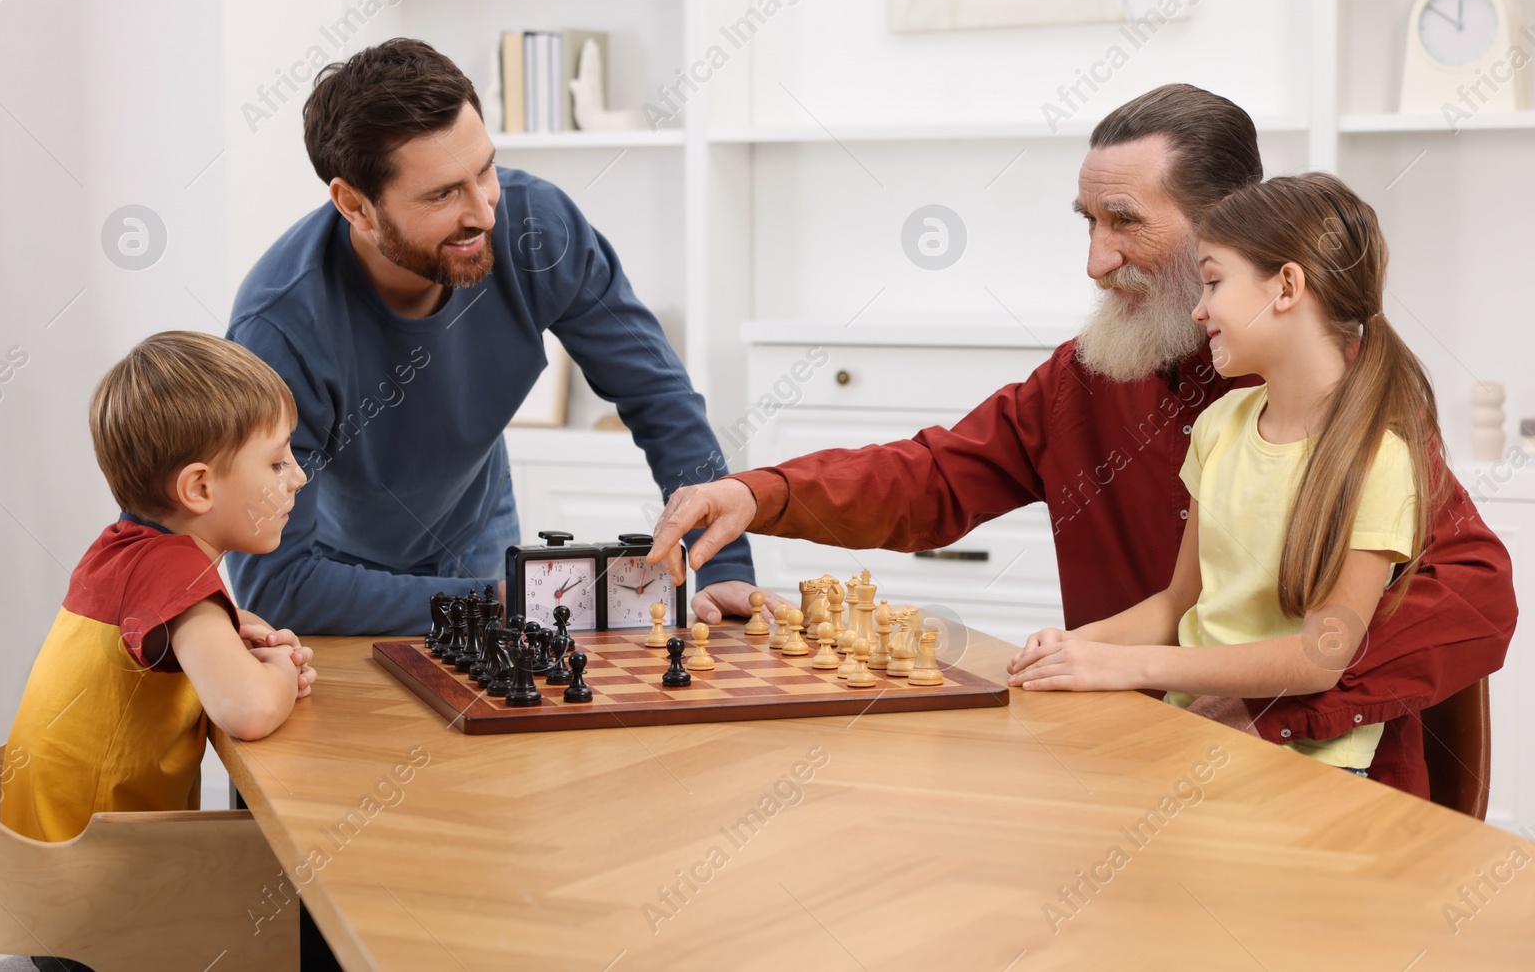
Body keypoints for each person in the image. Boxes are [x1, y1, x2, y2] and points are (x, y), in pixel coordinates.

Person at [646, 84, 1516, 799]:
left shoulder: (1354, 409)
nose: (1096, 261)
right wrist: (760, 493)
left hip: (1324, 798)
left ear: (1228, 227)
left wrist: (1273, 708)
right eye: (1087, 222)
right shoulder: (1086, 377)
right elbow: (936, 474)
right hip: (1129, 766)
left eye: (1125, 221)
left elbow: (1475, 595)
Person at [226, 38, 764, 635]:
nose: (483, 212)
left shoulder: (537, 226)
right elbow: (277, 588)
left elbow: (658, 396)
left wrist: (723, 567)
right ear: (355, 206)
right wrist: (507, 601)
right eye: (441, 194)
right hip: (337, 575)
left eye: (484, 170)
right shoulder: (278, 332)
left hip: (476, 531)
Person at [1006, 174, 1432, 775]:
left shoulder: (1379, 458)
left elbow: (1321, 656)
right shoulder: (1221, 425)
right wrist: (1079, 644)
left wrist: (1133, 667)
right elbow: (1180, 601)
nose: (1197, 308)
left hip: (1306, 768)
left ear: (1286, 287)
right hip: (1194, 734)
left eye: (1212, 281)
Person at [1, 331, 316, 845]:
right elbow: (251, 711)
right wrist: (283, 668)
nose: (298, 477)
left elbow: (182, 631)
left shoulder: (124, 550)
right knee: (297, 870)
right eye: (278, 461)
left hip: (39, 844)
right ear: (199, 488)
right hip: (87, 874)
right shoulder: (176, 572)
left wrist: (239, 628)